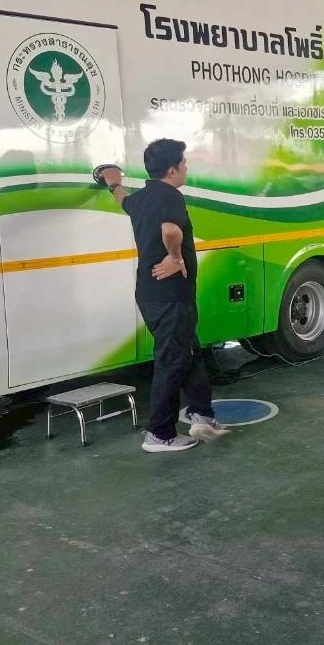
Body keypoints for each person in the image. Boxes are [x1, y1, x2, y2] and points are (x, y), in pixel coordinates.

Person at [96, 142, 229, 453]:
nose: (186, 168)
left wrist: (112, 181)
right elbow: (171, 230)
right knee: (171, 360)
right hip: (170, 296)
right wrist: (175, 257)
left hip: (151, 294)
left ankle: (202, 414)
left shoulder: (141, 197)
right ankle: (159, 434)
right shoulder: (170, 195)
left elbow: (123, 200)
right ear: (172, 170)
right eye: (184, 164)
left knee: (188, 352)